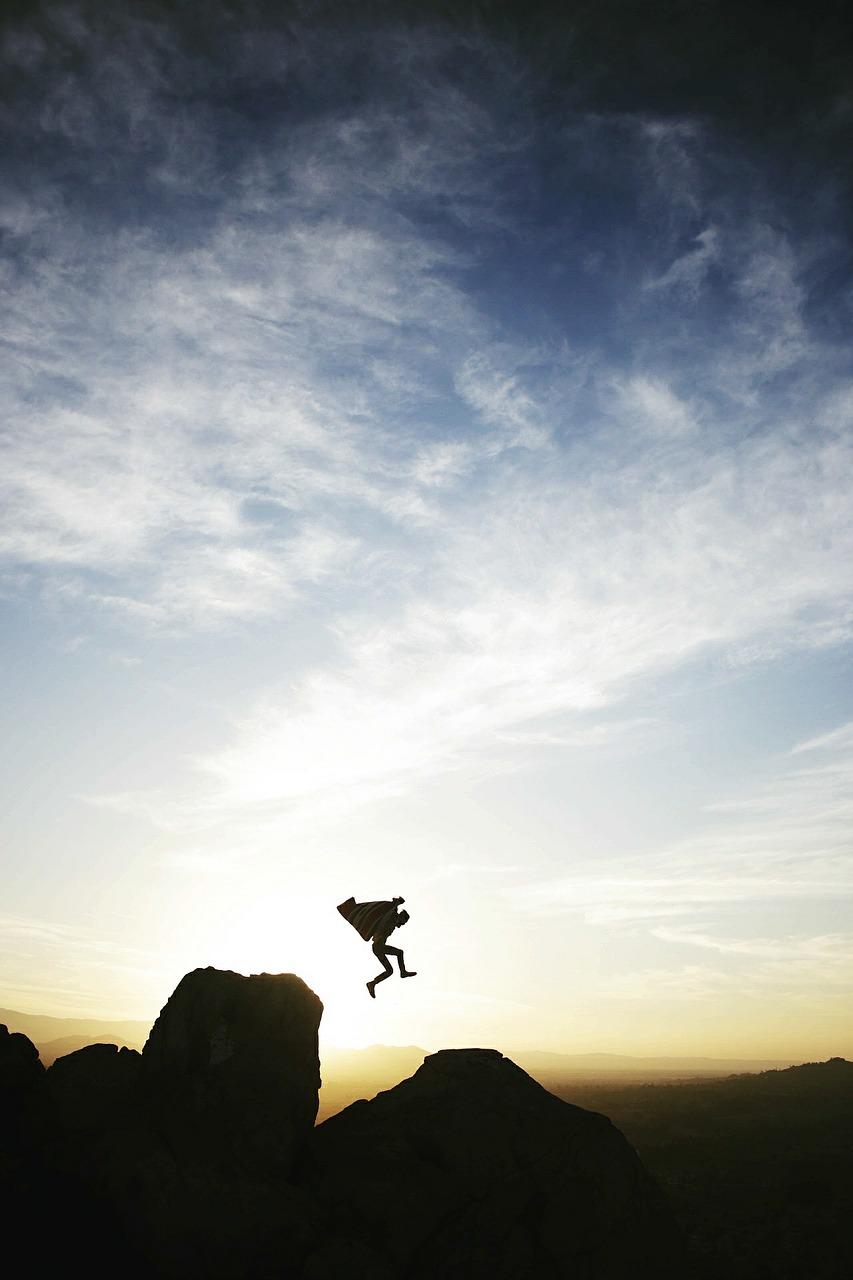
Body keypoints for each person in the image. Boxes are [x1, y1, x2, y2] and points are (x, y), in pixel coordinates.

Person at [366, 899, 417, 998]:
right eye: (403, 922)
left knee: (389, 971)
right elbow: (393, 909)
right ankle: (403, 972)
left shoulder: (393, 922)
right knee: (400, 953)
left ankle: (372, 983)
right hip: (378, 946)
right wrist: (397, 902)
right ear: (400, 918)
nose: (402, 924)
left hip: (378, 948)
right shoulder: (391, 918)